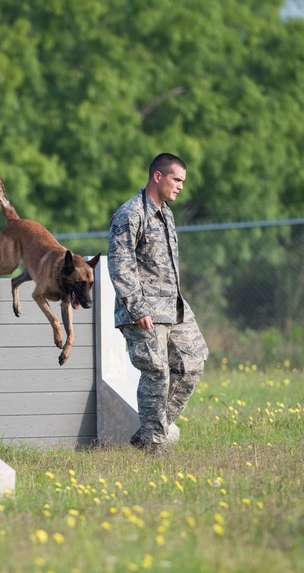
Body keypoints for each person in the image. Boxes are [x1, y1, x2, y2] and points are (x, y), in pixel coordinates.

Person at [107, 153, 208, 456]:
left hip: (172, 306)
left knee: (193, 362)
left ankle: (151, 432)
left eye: (183, 181)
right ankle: (153, 445)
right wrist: (137, 308)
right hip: (143, 311)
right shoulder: (131, 214)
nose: (180, 186)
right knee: (157, 373)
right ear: (158, 177)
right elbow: (120, 264)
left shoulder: (166, 214)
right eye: (177, 179)